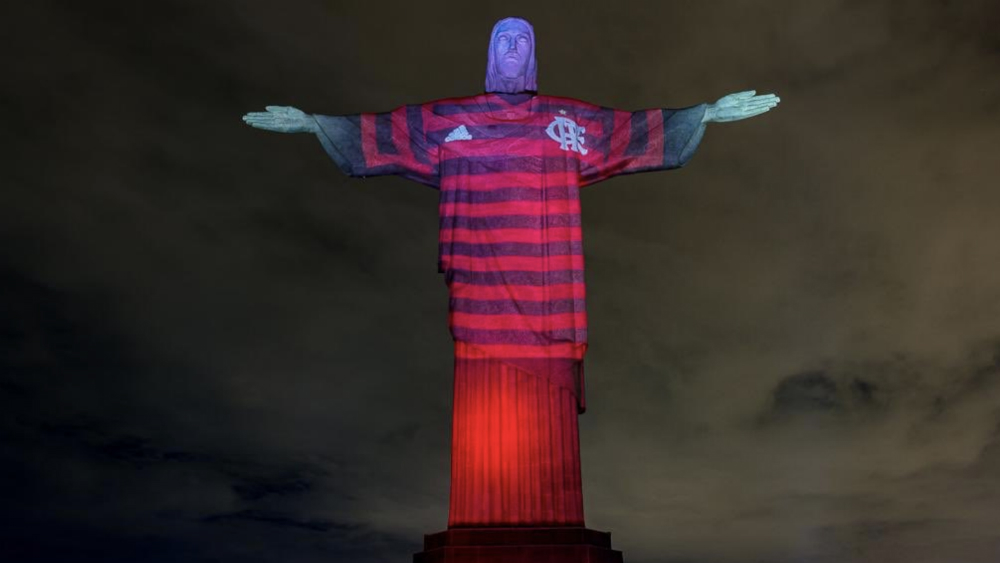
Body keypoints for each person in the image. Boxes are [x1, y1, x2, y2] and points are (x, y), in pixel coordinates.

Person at [243, 16, 779, 528]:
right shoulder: (451, 121)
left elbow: (626, 133)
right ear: (489, 56)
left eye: (523, 39)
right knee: (484, 434)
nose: (513, 48)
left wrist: (702, 114)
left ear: (534, 58)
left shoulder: (564, 123)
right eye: (503, 39)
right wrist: (316, 125)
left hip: (547, 299)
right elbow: (387, 133)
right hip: (479, 305)